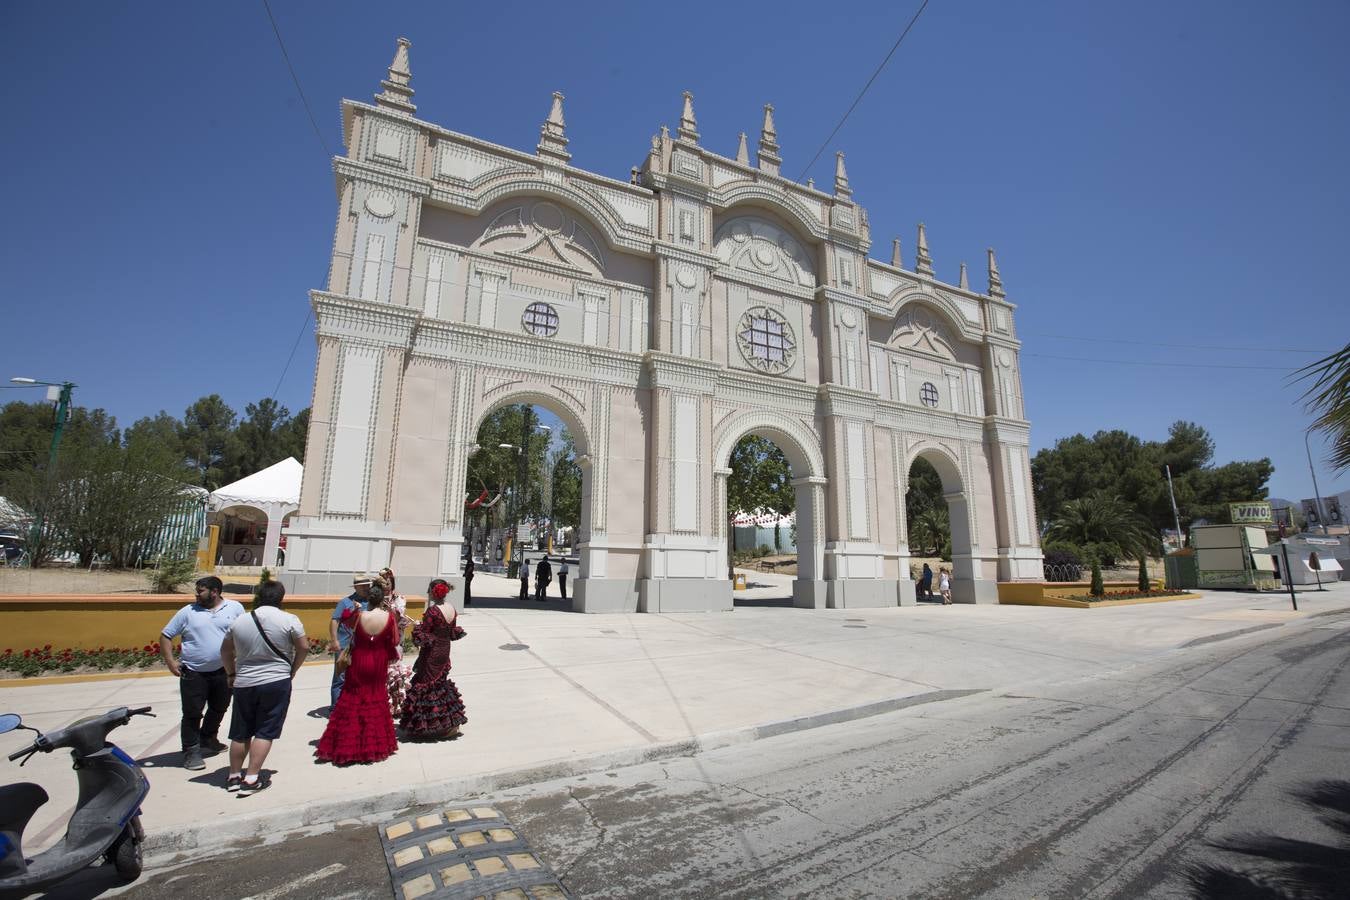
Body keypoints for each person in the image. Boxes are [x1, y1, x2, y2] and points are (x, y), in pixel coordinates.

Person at [219, 580, 308, 796]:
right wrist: (292, 669)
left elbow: (225, 651)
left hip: (245, 681)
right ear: (281, 598)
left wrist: (231, 673)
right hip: (276, 680)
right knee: (265, 730)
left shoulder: (240, 620)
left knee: (240, 732)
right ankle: (251, 778)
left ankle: (233, 776)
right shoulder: (289, 620)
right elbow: (303, 647)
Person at [159, 576, 245, 770]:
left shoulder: (235, 608)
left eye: (201, 591)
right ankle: (191, 750)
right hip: (194, 672)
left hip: (224, 671)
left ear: (214, 592)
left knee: (219, 707)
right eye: (197, 591)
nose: (196, 594)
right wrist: (171, 662)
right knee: (192, 713)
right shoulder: (187, 612)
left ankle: (208, 737)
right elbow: (166, 636)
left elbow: (242, 632)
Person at [315, 581, 400, 765]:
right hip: (378, 661)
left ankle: (348, 743)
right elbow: (393, 640)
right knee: (375, 698)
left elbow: (342, 622)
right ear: (382, 599)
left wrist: (353, 610)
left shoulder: (359, 616)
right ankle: (374, 744)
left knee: (353, 698)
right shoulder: (389, 618)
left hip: (360, 660)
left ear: (368, 598)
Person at [401, 579, 468, 741]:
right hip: (444, 650)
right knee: (440, 684)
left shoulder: (432, 611)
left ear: (434, 591)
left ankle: (429, 727)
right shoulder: (451, 608)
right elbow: (451, 632)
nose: (427, 593)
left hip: (432, 652)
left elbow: (425, 635)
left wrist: (417, 626)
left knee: (427, 684)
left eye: (429, 590)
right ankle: (447, 723)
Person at [329, 575, 372, 708]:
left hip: (363, 647)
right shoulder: (345, 602)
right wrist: (334, 640)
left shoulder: (371, 603)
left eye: (368, 585)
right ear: (356, 587)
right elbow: (335, 620)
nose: (366, 588)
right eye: (363, 585)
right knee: (340, 677)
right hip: (344, 645)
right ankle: (336, 707)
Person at [378, 568, 413, 718]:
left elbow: (399, 618)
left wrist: (390, 608)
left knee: (394, 672)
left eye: (388, 581)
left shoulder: (399, 598)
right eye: (383, 582)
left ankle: (394, 705)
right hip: (378, 640)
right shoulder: (375, 598)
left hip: (394, 639)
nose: (386, 585)